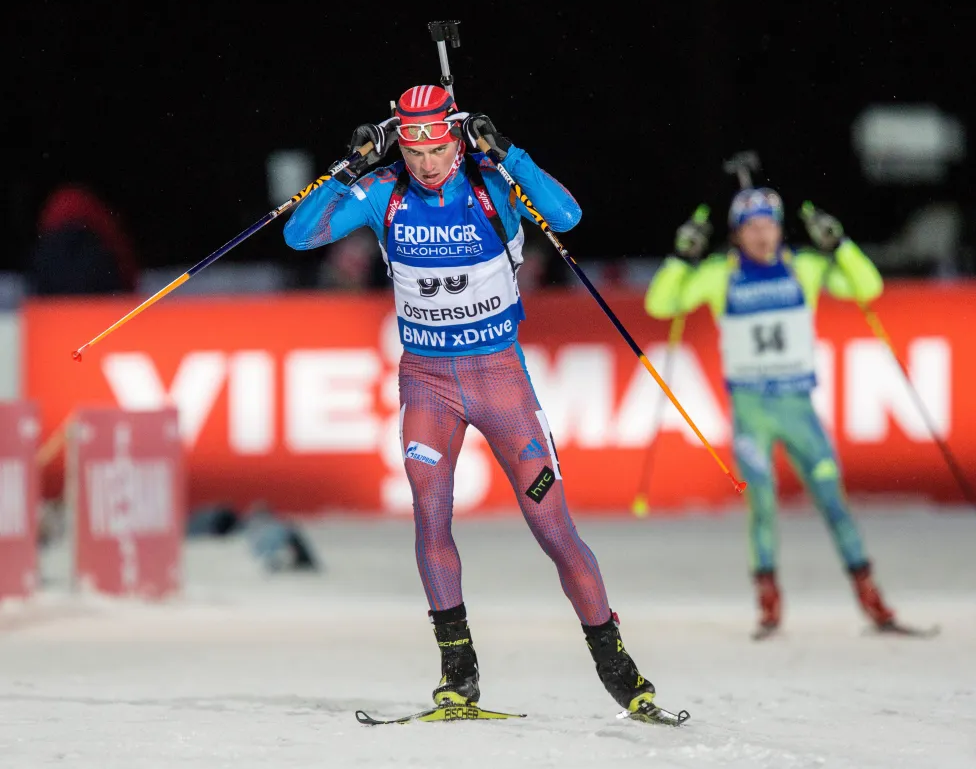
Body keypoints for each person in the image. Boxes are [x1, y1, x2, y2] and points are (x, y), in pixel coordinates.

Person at [283, 85, 663, 716]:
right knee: (431, 518)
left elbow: (566, 217)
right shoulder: (385, 193)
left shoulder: (492, 186)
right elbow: (300, 235)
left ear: (456, 137)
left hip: (499, 383)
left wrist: (512, 155)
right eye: (412, 149)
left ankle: (615, 664)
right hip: (427, 384)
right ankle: (458, 671)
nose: (426, 162)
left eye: (436, 147)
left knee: (552, 527)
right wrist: (348, 168)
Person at [645, 189, 903, 638]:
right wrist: (681, 258)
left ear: (781, 227)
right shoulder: (717, 275)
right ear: (737, 234)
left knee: (833, 503)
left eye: (769, 224)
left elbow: (868, 287)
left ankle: (871, 599)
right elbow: (661, 304)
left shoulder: (804, 267)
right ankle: (768, 604)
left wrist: (839, 245)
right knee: (761, 507)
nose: (762, 235)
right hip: (752, 414)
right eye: (751, 227)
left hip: (799, 410)